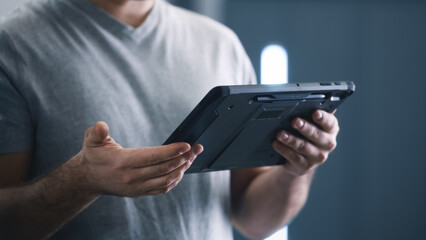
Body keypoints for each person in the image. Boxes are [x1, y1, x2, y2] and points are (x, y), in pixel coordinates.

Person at [0, 0, 340, 239]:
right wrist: (81, 181)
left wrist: (295, 170)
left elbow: (254, 221)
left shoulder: (220, 43)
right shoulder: (13, 46)